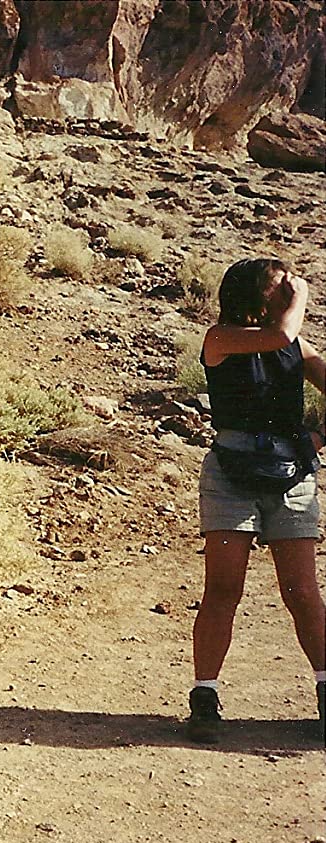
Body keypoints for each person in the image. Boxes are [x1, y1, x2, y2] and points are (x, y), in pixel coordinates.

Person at [188, 259, 325, 745]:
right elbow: (280, 335)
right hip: (232, 475)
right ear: (254, 293)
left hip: (290, 475)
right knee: (224, 589)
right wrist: (301, 297)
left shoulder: (293, 346)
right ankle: (205, 695)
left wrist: (317, 438)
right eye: (279, 283)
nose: (289, 287)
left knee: (302, 592)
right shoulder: (220, 339)